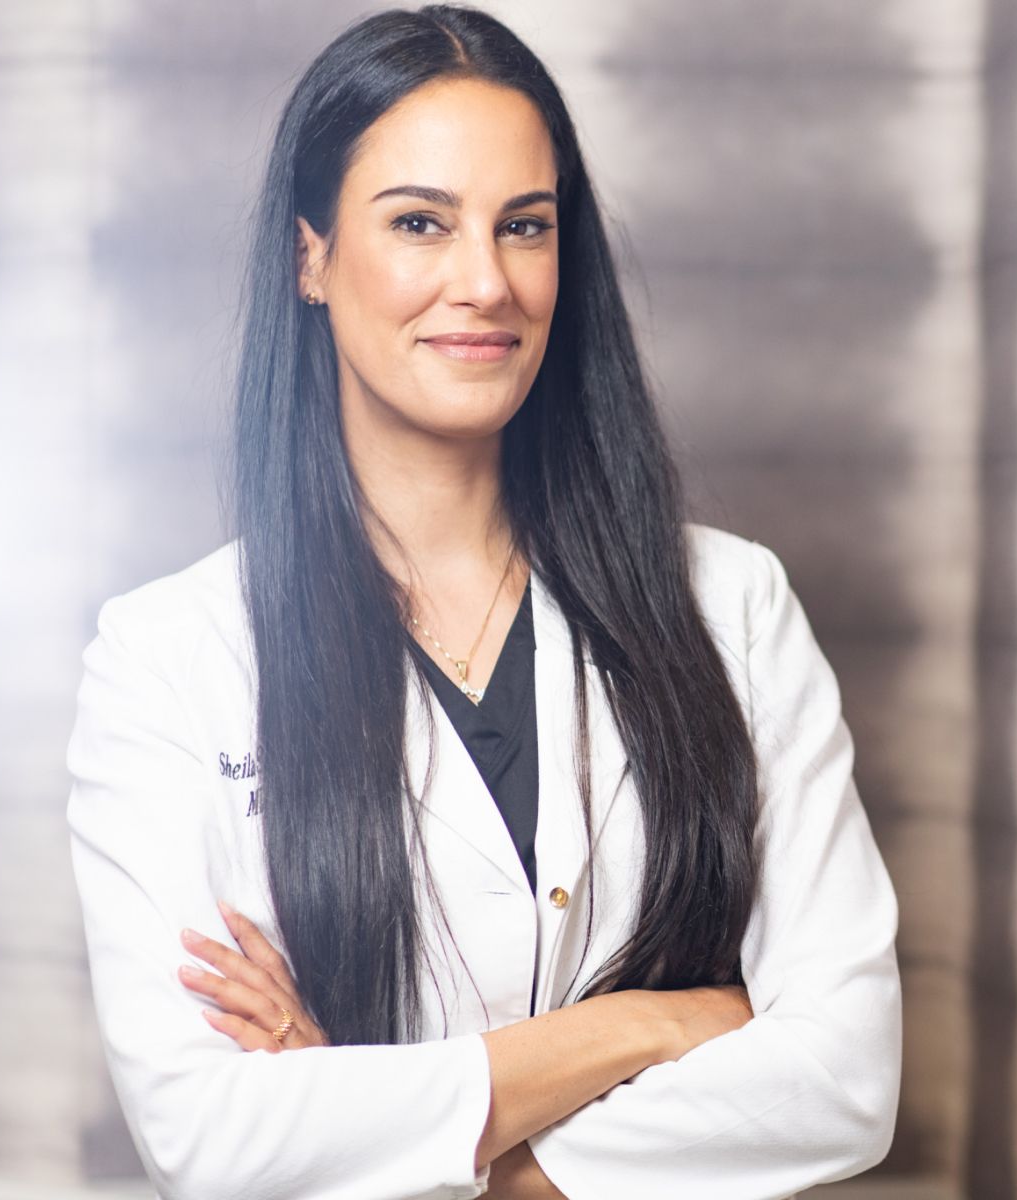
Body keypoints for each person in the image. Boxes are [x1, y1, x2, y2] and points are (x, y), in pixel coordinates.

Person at [63, 6, 901, 1198]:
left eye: (525, 226)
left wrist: (394, 1135)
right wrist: (647, 1026)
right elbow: (214, 1140)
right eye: (419, 223)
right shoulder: (167, 659)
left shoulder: (733, 606)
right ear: (311, 258)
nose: (485, 283)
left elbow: (845, 1079)